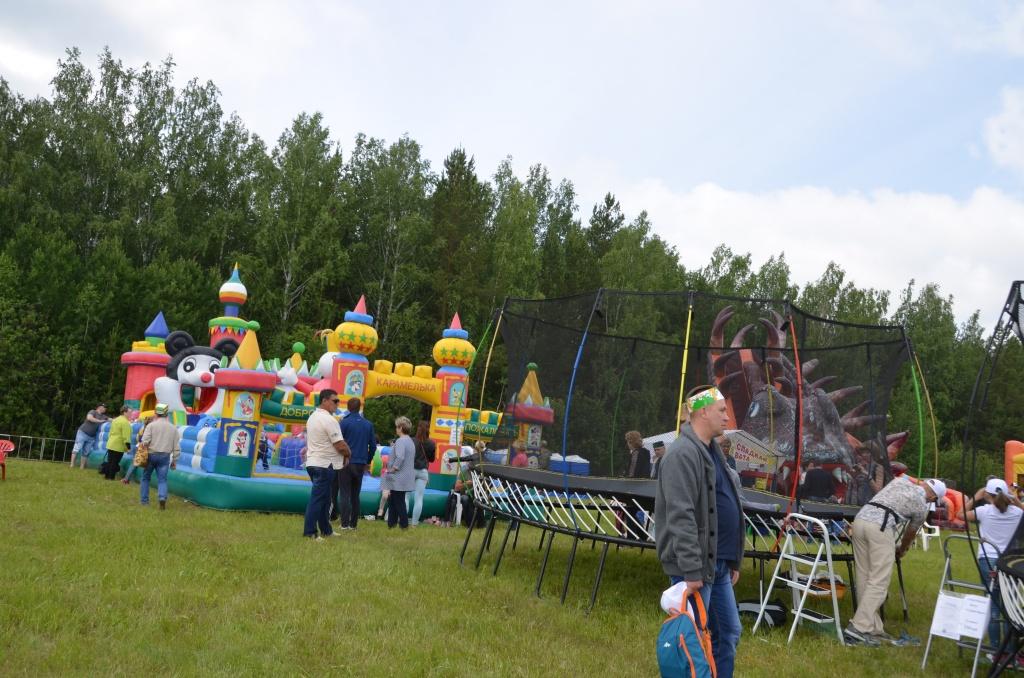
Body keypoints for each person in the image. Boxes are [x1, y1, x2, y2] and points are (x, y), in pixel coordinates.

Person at [656, 386, 743, 678]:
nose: (728, 417)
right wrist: (691, 569)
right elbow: (680, 515)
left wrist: (732, 558)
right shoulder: (682, 454)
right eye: (722, 410)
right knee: (691, 640)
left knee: (727, 632)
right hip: (696, 567)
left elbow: (724, 503)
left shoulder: (711, 451)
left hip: (718, 563)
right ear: (703, 411)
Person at [845, 475, 946, 645]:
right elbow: (910, 533)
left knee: (864, 575)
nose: (931, 502)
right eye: (934, 500)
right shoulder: (922, 507)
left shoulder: (899, 481)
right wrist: (902, 549)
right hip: (880, 526)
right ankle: (859, 627)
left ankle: (873, 627)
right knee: (879, 580)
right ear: (933, 497)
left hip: (859, 521)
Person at [964, 478, 1024, 654]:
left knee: (993, 606)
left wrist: (975, 497)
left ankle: (995, 651)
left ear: (986, 494)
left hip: (988, 559)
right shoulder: (1017, 513)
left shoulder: (984, 511)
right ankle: (1011, 651)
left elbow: (960, 514)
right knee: (1010, 608)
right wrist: (1016, 500)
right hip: (1009, 562)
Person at [302, 389, 350, 539]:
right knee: (318, 499)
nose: (337, 404)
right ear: (324, 400)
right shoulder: (329, 420)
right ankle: (310, 532)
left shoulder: (312, 417)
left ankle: (326, 530)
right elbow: (340, 445)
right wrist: (348, 454)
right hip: (324, 464)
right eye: (335, 401)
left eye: (338, 401)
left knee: (325, 499)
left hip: (313, 462)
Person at [338, 397, 376, 530]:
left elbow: (338, 443)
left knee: (344, 493)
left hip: (346, 462)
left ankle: (344, 524)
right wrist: (367, 460)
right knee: (355, 495)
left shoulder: (344, 423)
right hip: (360, 463)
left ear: (348, 408)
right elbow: (373, 446)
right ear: (359, 408)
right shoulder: (368, 424)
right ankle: (353, 524)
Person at [139, 403, 180, 510]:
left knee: (145, 478)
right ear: (167, 414)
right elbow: (176, 447)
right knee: (162, 480)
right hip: (165, 456)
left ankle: (144, 501)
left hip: (151, 455)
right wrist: (174, 460)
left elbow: (144, 441)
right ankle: (162, 497)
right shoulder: (173, 428)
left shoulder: (151, 426)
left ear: (156, 413)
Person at [383, 416, 415, 529]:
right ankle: (391, 524)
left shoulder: (401, 441)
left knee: (398, 501)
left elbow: (400, 457)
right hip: (406, 476)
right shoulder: (410, 441)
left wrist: (393, 468)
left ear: (401, 428)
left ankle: (404, 524)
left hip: (398, 476)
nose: (396, 429)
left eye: (397, 427)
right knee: (393, 500)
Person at [408, 420, 436, 526]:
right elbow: (432, 460)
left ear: (418, 428)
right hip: (423, 472)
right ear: (428, 429)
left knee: (406, 496)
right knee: (419, 498)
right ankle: (414, 524)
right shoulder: (431, 443)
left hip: (410, 470)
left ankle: (403, 521)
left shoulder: (411, 441)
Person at [70, 403, 109, 469]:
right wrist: (99, 421)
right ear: (99, 407)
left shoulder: (104, 416)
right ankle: (72, 465)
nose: (105, 409)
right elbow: (89, 418)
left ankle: (82, 467)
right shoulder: (92, 411)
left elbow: (111, 419)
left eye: (106, 408)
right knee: (77, 448)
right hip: (82, 433)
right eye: (104, 407)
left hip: (91, 437)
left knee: (86, 452)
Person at [102, 406, 133, 480]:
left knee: (110, 461)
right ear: (124, 412)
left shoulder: (115, 420)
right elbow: (126, 437)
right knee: (115, 462)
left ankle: (107, 476)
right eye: (129, 412)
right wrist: (128, 448)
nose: (131, 414)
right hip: (118, 445)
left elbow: (110, 432)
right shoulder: (125, 422)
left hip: (111, 443)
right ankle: (111, 477)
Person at [122, 416, 151, 485]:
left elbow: (138, 438)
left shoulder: (142, 428)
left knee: (134, 464)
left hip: (138, 446)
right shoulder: (149, 429)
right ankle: (129, 479)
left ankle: (128, 479)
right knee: (141, 465)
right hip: (144, 449)